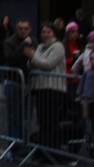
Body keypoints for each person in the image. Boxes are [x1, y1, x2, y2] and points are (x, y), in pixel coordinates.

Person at [26, 22, 67, 152]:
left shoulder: (58, 47)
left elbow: (48, 64)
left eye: (48, 32)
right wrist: (32, 58)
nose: (45, 34)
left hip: (53, 88)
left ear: (54, 33)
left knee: (51, 120)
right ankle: (43, 148)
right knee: (42, 120)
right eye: (44, 32)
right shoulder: (40, 47)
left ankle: (52, 149)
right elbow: (31, 64)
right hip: (40, 88)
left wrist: (32, 57)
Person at [2, 19, 35, 156]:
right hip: (14, 83)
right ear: (17, 29)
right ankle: (14, 146)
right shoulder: (10, 42)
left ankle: (24, 144)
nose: (23, 31)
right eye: (20, 28)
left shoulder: (34, 41)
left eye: (26, 28)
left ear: (30, 29)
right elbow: (10, 58)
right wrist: (23, 46)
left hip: (29, 83)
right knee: (14, 116)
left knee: (25, 116)